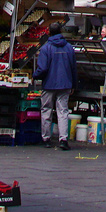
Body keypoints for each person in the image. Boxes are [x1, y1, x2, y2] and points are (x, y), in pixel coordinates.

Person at [33, 21, 78, 150]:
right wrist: (73, 84)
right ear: (60, 32)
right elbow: (73, 68)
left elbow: (43, 68)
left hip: (49, 84)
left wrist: (35, 76)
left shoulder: (46, 48)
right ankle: (63, 139)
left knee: (46, 110)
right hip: (65, 84)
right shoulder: (69, 47)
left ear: (49, 32)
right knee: (63, 111)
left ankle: (46, 138)